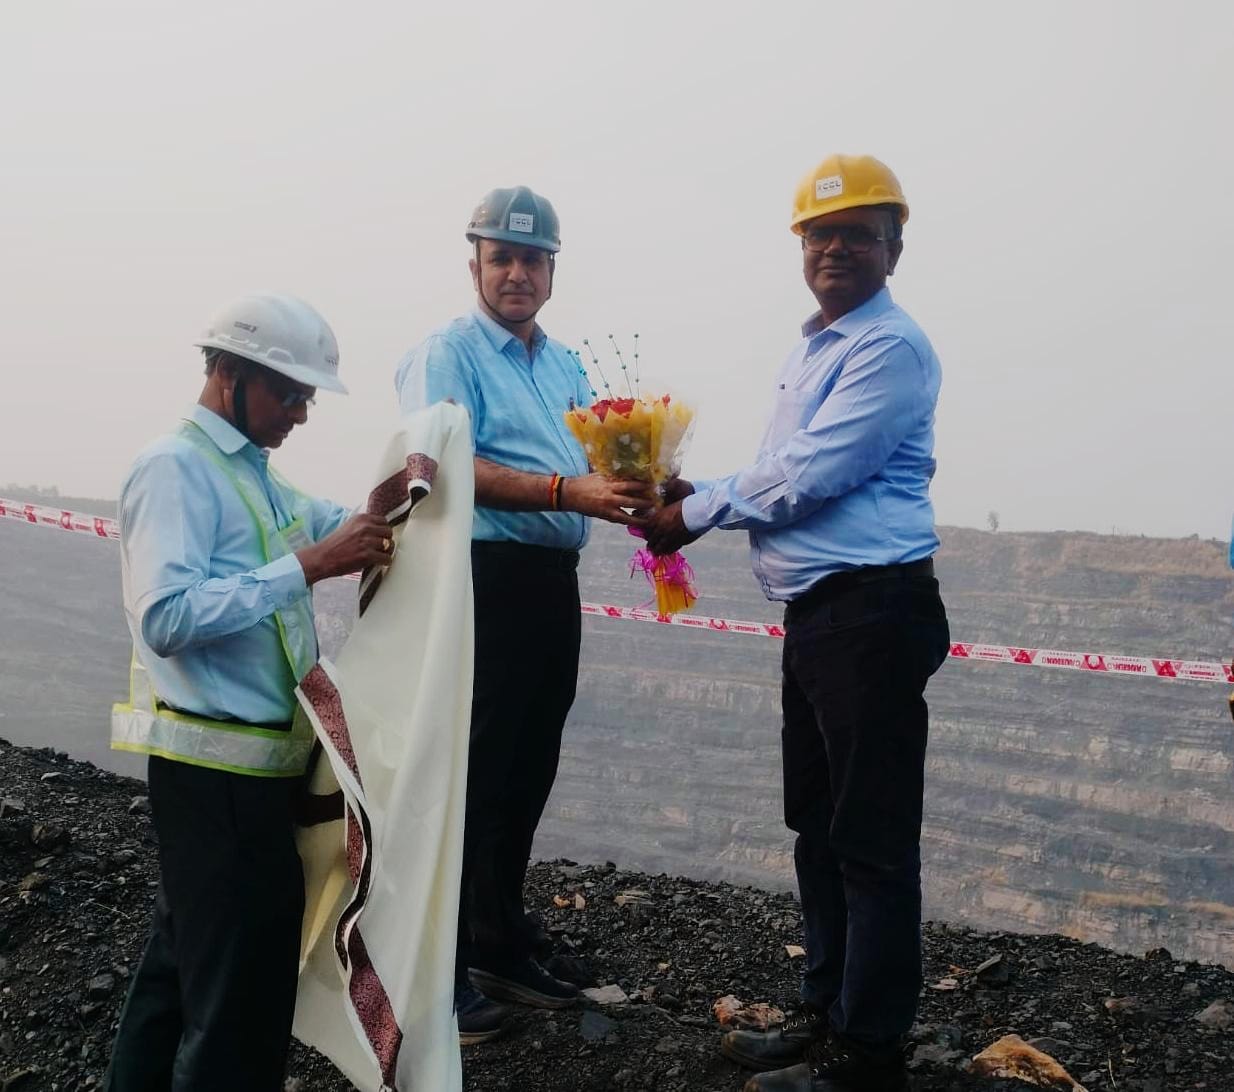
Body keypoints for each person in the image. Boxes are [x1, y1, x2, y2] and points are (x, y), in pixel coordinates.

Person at [645, 155, 951, 1092]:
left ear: (894, 248)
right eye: (821, 234)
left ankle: (867, 1055)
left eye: (858, 234)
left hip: (873, 613)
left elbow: (814, 472)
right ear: (801, 247)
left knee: (870, 835)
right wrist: (695, 491)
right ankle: (828, 1012)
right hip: (824, 619)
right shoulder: (813, 350)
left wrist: (694, 512)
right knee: (817, 824)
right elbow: (781, 468)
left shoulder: (888, 348)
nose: (835, 249)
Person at [105, 294, 394, 1090]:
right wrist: (310, 566)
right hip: (216, 783)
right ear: (228, 372)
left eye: (307, 398)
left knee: (181, 976)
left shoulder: (252, 475)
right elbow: (166, 617)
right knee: (238, 1000)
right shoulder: (175, 468)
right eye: (288, 393)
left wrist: (420, 500)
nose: (299, 413)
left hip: (251, 782)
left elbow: (333, 522)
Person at [395, 186, 654, 1043]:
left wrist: (642, 483)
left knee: (527, 764)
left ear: (551, 270)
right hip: (480, 575)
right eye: (501, 256)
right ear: (473, 262)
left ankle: (497, 940)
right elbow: (441, 465)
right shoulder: (447, 354)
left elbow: (591, 457)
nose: (517, 273)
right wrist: (564, 491)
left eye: (532, 259)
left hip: (548, 579)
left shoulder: (565, 363)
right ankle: (435, 975)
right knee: (472, 772)